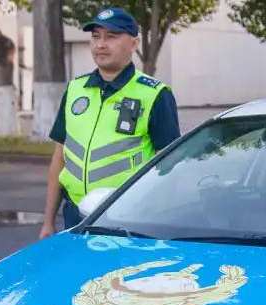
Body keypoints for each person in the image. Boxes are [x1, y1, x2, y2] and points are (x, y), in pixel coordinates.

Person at [38, 7, 181, 238]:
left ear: (134, 44)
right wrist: (48, 222)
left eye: (111, 37)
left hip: (129, 219)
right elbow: (59, 157)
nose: (100, 45)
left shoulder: (155, 94)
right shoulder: (75, 89)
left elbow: (168, 167)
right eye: (96, 36)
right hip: (75, 215)